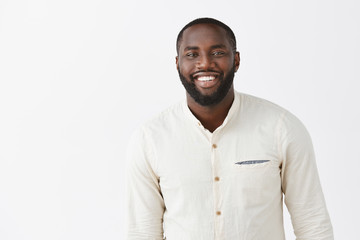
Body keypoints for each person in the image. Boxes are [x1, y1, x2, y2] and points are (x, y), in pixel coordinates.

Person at [126, 17, 333, 239]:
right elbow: (143, 231)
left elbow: (312, 222)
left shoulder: (281, 128)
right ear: (178, 63)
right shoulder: (150, 138)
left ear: (236, 60)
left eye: (217, 53)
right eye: (192, 54)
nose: (204, 63)